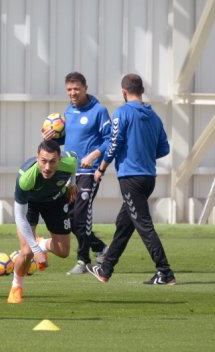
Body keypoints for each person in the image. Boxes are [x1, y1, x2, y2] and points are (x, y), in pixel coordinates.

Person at [86, 73, 175, 285]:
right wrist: (143, 152)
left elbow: (115, 143)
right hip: (148, 178)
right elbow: (164, 148)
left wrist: (102, 167)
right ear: (142, 90)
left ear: (124, 92)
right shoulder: (154, 117)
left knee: (144, 225)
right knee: (124, 224)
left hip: (130, 177)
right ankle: (105, 269)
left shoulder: (122, 113)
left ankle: (165, 272)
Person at [43, 72, 110, 275]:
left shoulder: (99, 111)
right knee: (68, 218)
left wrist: (93, 156)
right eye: (69, 90)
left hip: (90, 172)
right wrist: (50, 138)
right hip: (69, 173)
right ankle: (99, 247)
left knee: (80, 216)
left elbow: (110, 140)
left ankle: (83, 260)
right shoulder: (68, 112)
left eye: (76, 89)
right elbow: (68, 140)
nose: (72, 93)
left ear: (85, 88)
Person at [8, 140, 78, 303]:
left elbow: (74, 160)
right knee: (26, 252)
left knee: (63, 252)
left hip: (56, 201)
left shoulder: (69, 163)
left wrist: (72, 184)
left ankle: (42, 243)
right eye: (43, 161)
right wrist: (35, 250)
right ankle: (16, 287)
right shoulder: (26, 178)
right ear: (37, 158)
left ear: (59, 160)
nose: (47, 167)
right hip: (30, 205)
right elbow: (19, 216)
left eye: (52, 162)